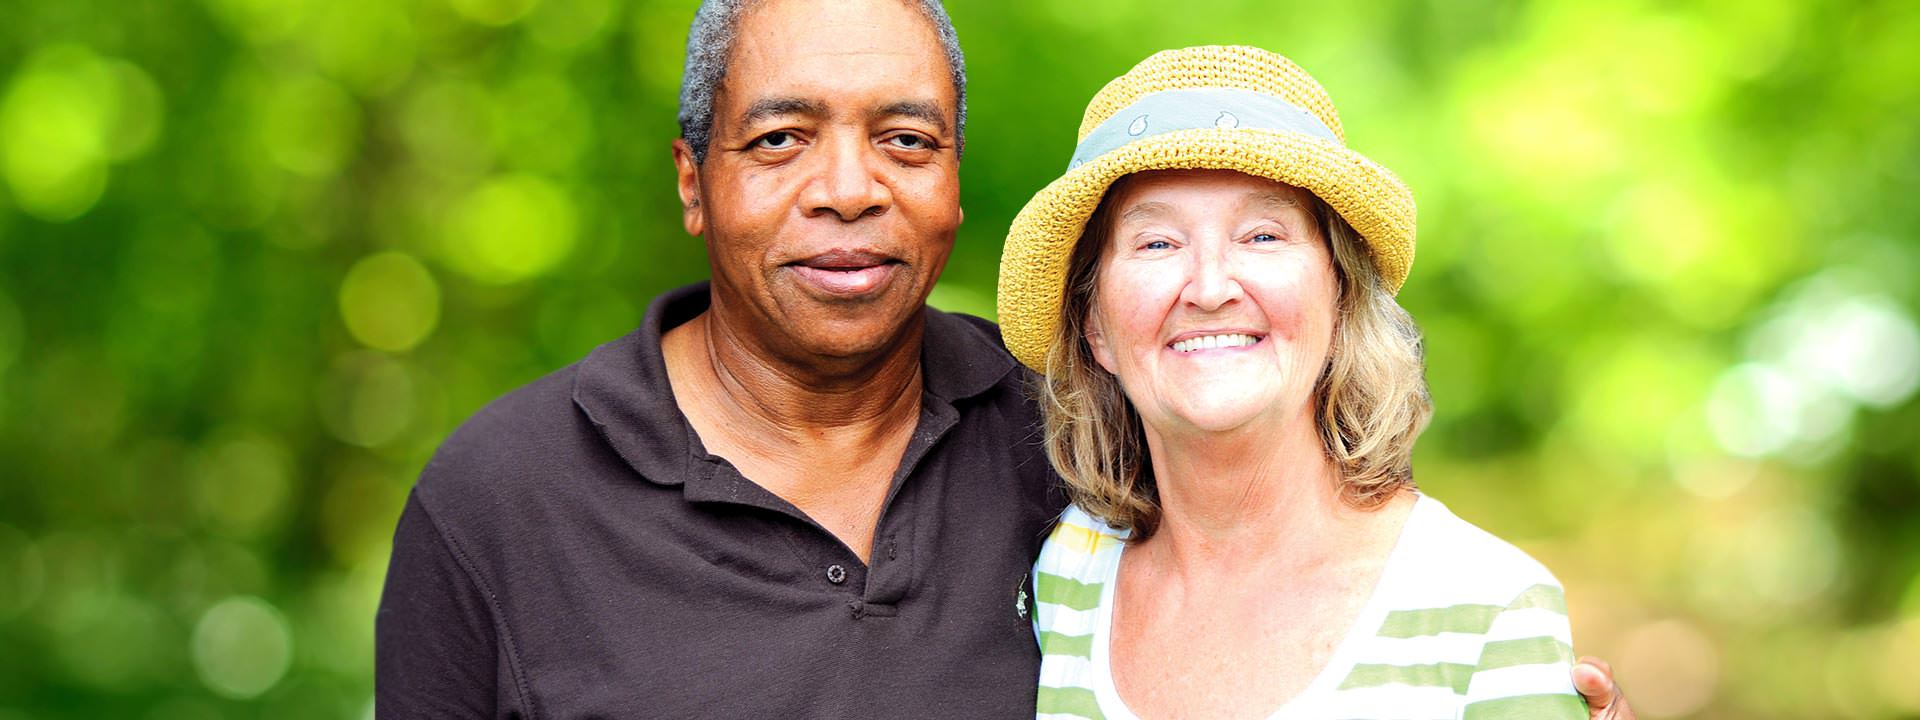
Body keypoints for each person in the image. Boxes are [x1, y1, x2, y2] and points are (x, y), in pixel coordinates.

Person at [375, 1, 1636, 717]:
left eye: (907, 140)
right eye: (781, 141)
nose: (850, 190)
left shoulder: (1072, 465)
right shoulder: (498, 501)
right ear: (695, 181)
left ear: (957, 189)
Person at [1000, 46, 1601, 718]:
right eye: (1157, 243)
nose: (1209, 287)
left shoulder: (1487, 607)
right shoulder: (1065, 581)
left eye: (1262, 236)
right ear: (1097, 328)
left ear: (1340, 301)